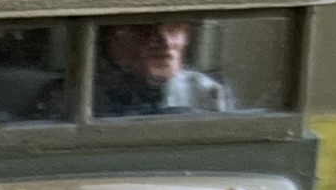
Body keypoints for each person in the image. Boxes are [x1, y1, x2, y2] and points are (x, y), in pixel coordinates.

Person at [57, 18, 230, 116]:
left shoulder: (207, 92)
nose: (165, 42)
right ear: (109, 39)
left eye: (174, 29)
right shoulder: (70, 96)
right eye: (143, 30)